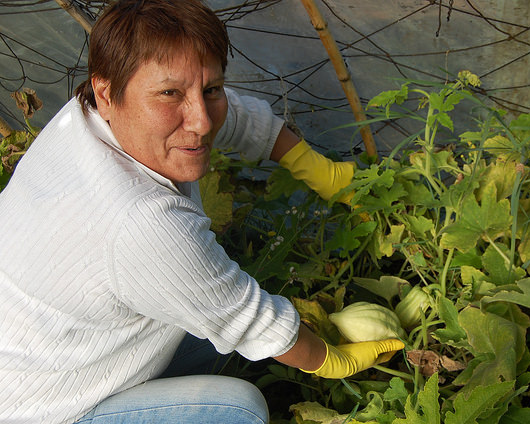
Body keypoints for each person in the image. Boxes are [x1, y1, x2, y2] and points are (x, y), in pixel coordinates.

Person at [0, 0, 404, 423]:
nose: (202, 121)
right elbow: (251, 320)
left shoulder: (92, 115)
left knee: (228, 319)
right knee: (238, 410)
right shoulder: (142, 220)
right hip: (39, 406)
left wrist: (316, 168)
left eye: (211, 89)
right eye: (170, 93)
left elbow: (225, 117)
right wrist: (330, 359)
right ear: (106, 92)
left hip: (51, 341)